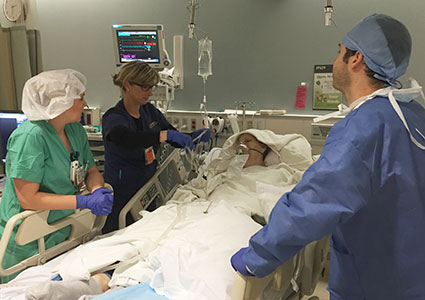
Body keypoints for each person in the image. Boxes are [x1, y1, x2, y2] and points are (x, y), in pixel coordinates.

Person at [231, 13, 425, 299]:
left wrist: (254, 257)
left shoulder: (363, 129)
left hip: (376, 284)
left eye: (339, 52)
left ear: (356, 58)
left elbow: (309, 207)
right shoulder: (414, 115)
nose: (335, 61)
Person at [0, 69, 113, 283]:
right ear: (60, 102)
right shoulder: (30, 137)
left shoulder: (75, 131)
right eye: (80, 98)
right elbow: (27, 198)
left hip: (62, 230)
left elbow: (90, 170)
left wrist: (97, 190)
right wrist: (83, 201)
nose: (85, 103)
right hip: (28, 239)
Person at [101, 61, 210, 234]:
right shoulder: (114, 116)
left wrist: (193, 137)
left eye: (152, 87)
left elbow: (171, 135)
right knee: (120, 234)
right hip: (123, 190)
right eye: (145, 87)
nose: (150, 93)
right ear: (127, 84)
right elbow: (125, 138)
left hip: (147, 186)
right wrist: (163, 136)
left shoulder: (149, 111)